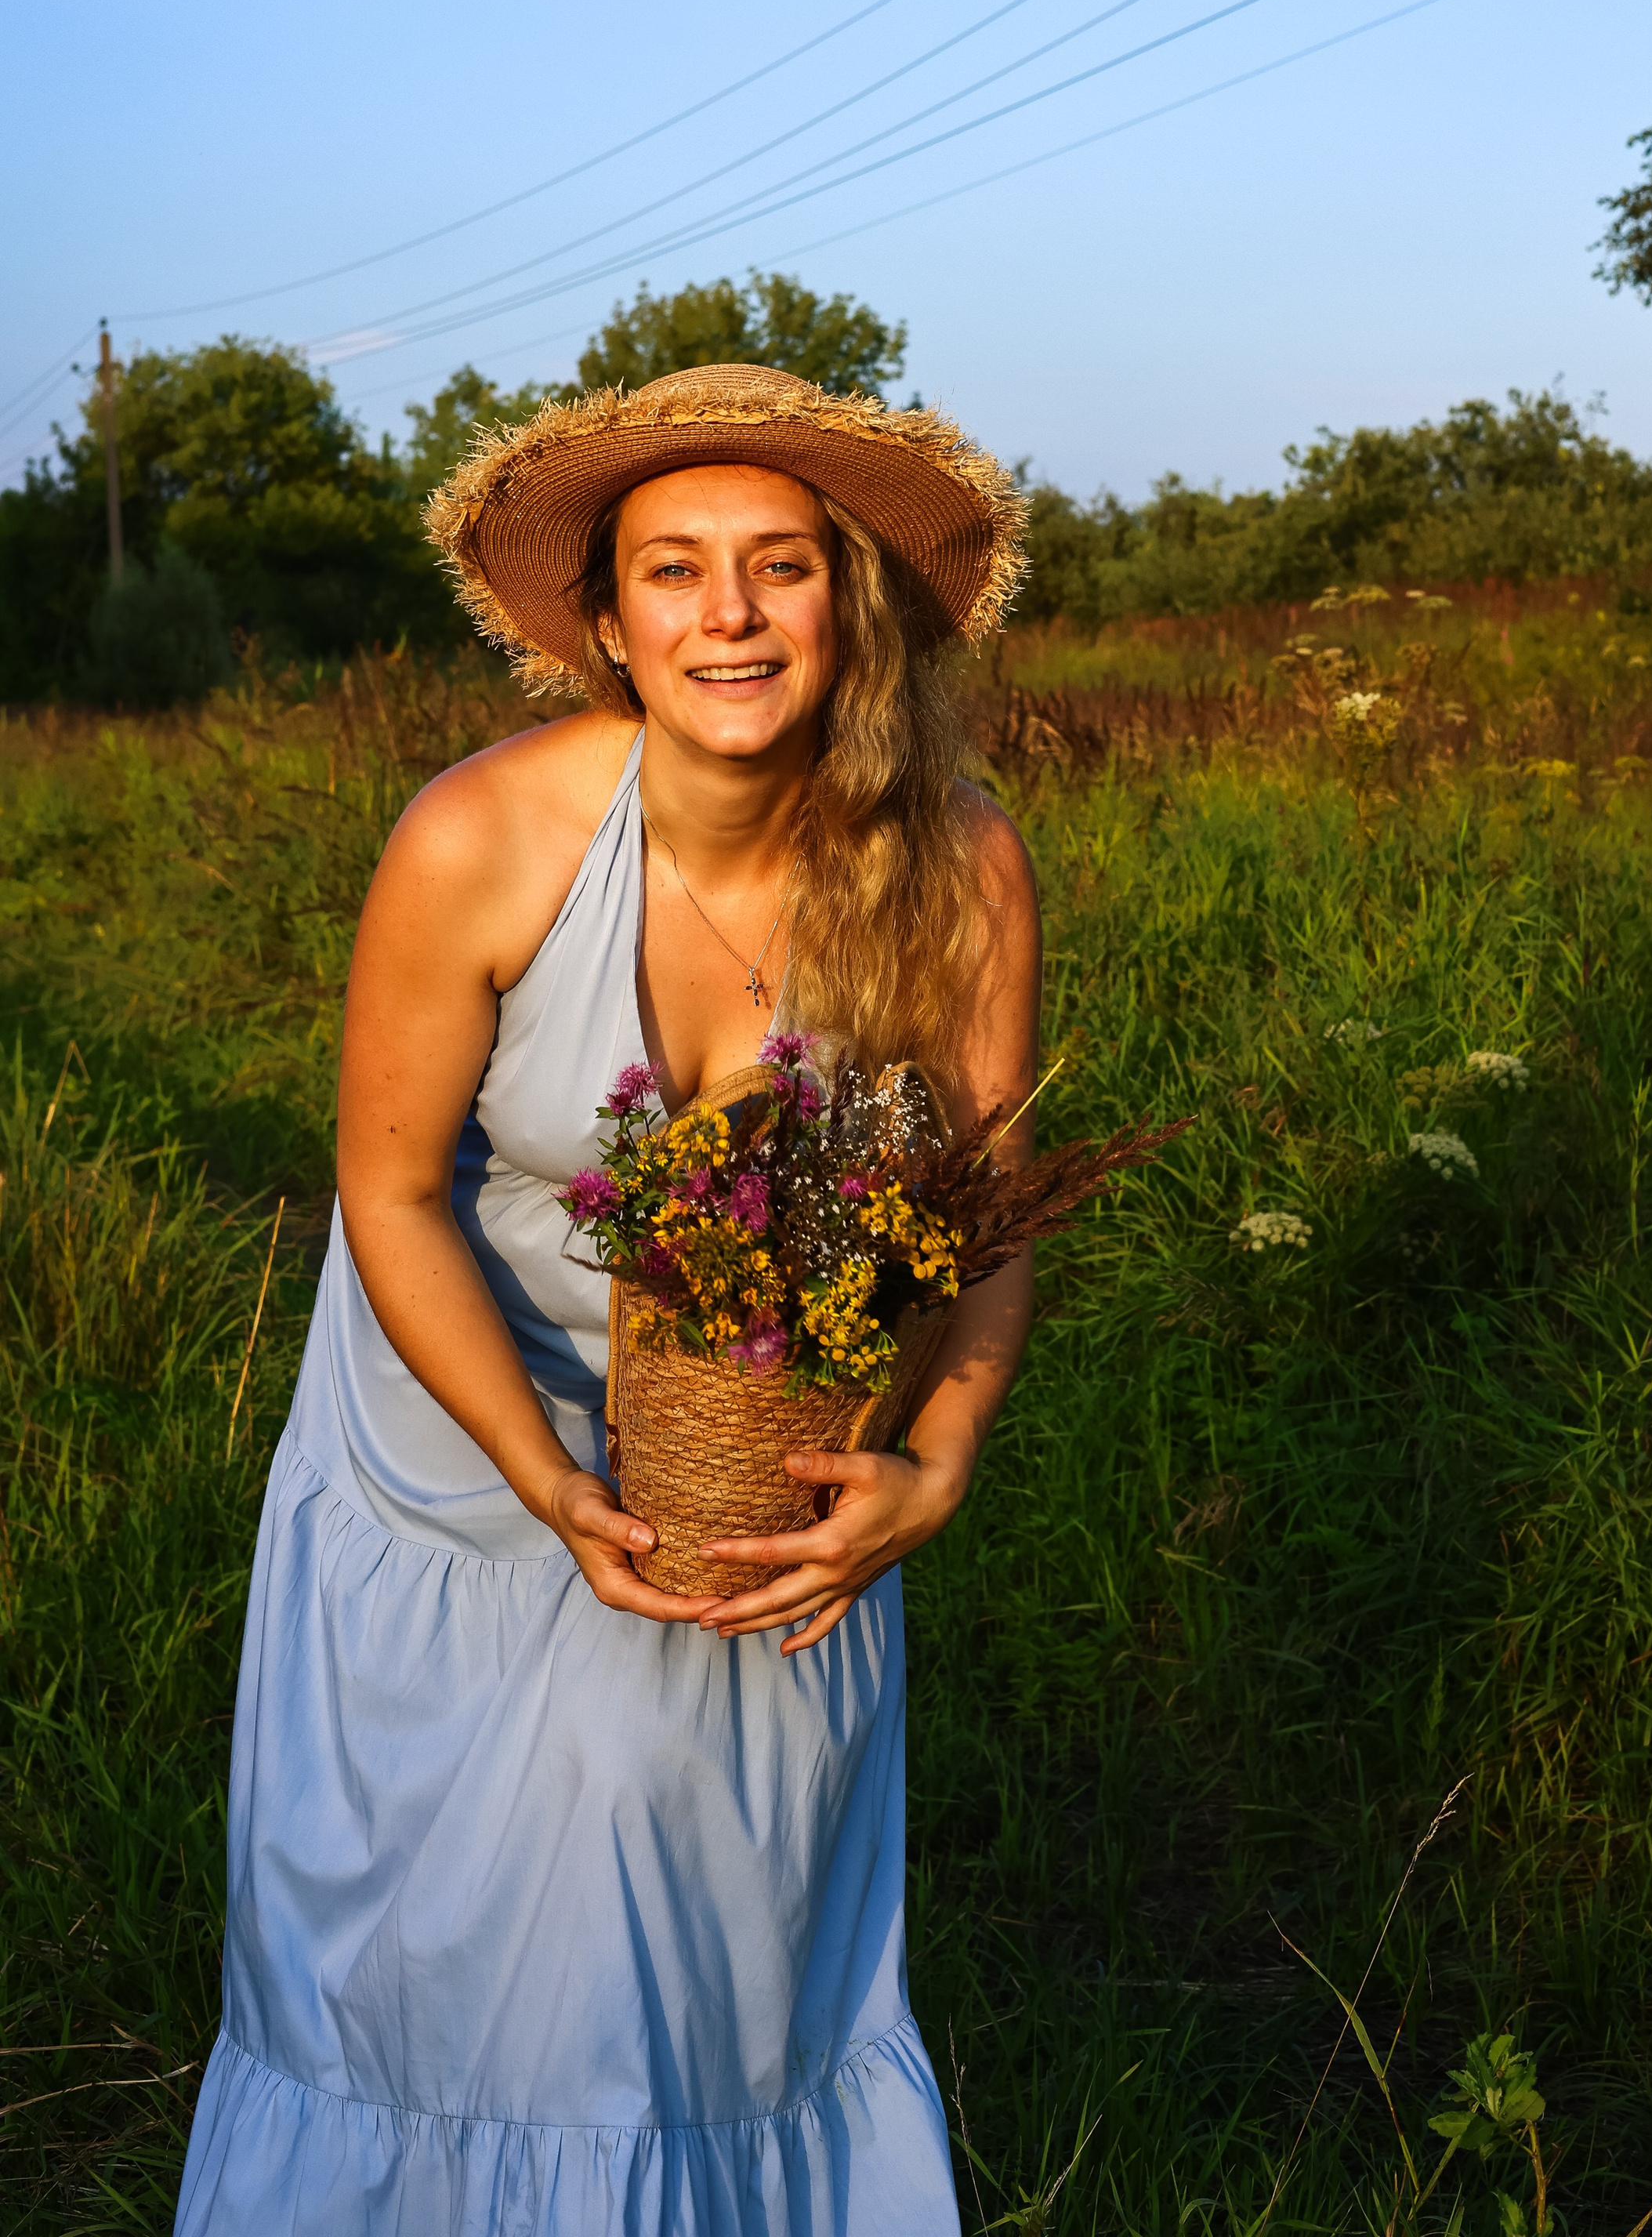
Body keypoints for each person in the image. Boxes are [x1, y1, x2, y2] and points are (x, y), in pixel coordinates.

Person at [174, 364, 1041, 2235]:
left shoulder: (955, 862)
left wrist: (937, 1462)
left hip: (768, 1476)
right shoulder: (478, 841)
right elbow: (391, 1191)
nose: (725, 614)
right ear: (607, 624)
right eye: (673, 570)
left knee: (705, 1954)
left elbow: (986, 1219)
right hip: (463, 1449)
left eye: (777, 565)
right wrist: (543, 1477)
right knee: (462, 1965)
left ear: (852, 602)